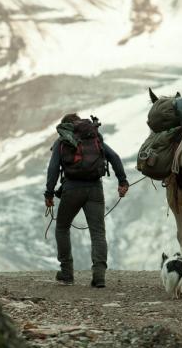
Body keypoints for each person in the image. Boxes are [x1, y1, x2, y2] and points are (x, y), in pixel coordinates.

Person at [44, 113, 129, 288]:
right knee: (97, 232)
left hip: (72, 189)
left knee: (62, 227)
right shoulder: (93, 138)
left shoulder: (62, 141)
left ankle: (67, 273)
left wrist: (49, 193)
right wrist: (122, 181)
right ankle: (99, 276)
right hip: (95, 189)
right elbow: (114, 157)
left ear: (65, 126)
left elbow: (53, 169)